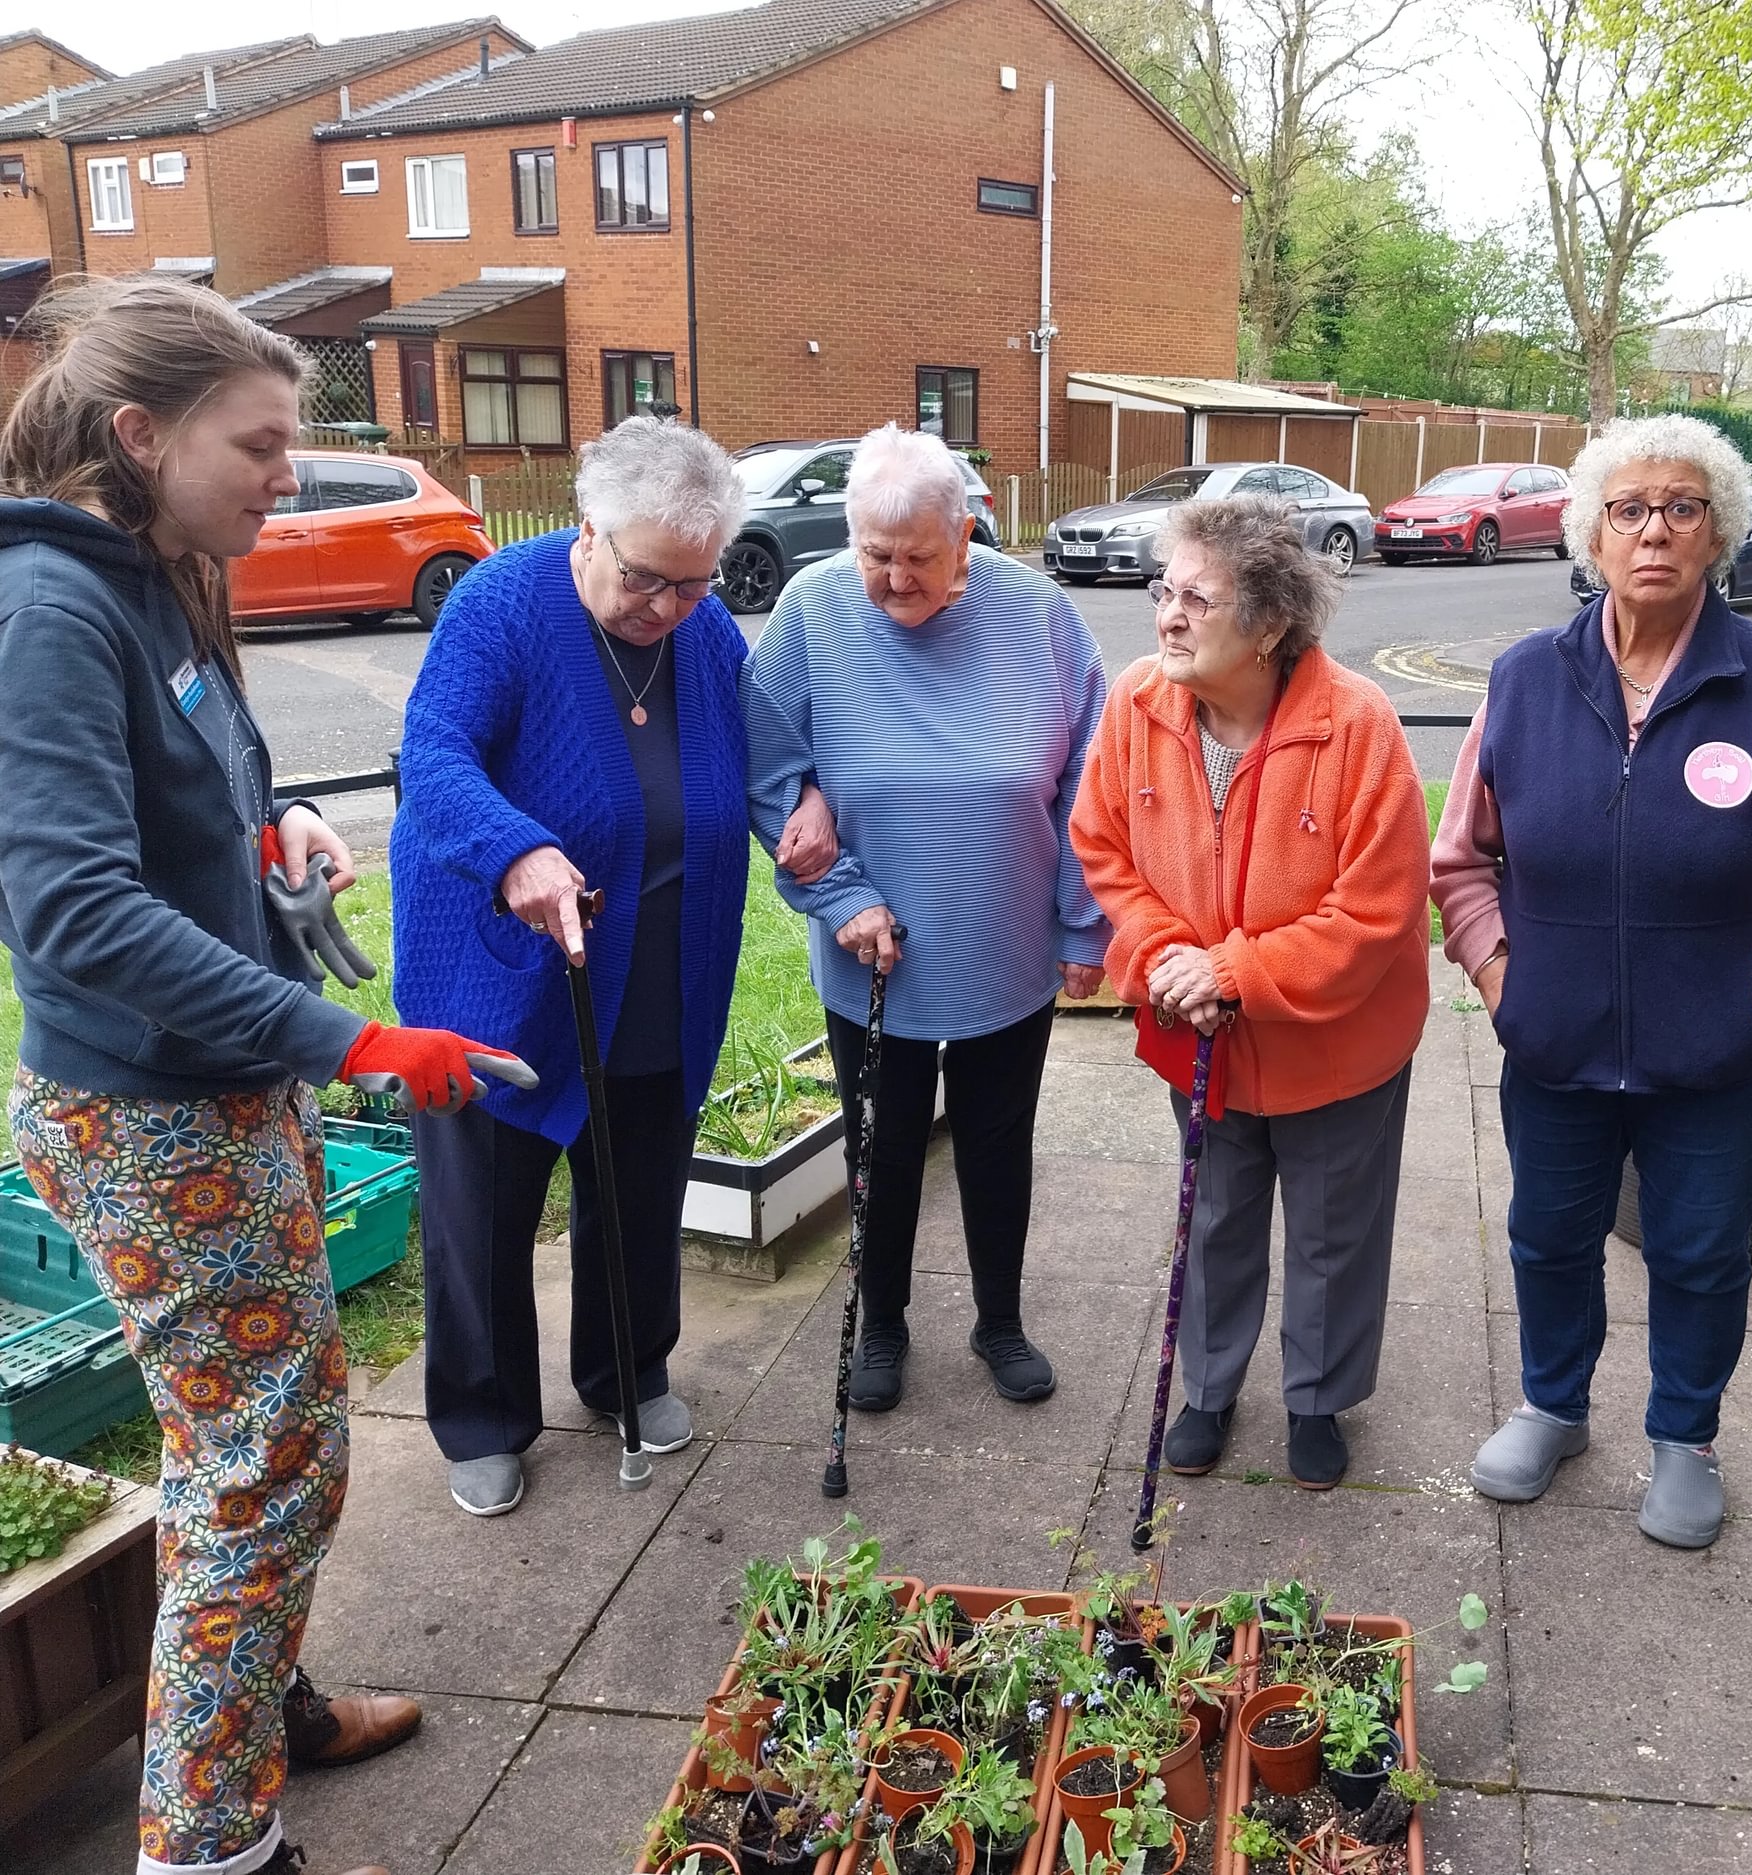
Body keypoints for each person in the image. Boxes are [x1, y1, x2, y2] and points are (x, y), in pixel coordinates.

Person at [0, 276, 525, 1875]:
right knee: (265, 1470)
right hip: (152, 1116)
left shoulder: (160, 573)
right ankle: (214, 1847)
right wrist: (357, 1039)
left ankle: (257, 1707)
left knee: (248, 1454)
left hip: (222, 1091)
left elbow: (176, 798)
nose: (288, 476)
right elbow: (74, 913)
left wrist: (267, 828)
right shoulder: (52, 608)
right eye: (262, 443)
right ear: (141, 434)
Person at [1435, 413, 1752, 1549]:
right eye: (1628, 509)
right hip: (1554, 1045)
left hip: (1716, 1057)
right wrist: (1499, 975)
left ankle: (1686, 1437)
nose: (1654, 531)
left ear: (1717, 533)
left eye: (1683, 508)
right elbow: (1461, 860)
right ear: (1590, 534)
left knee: (1699, 1253)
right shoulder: (1525, 680)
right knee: (1547, 1237)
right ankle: (1552, 1406)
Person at [392, 417, 828, 1518]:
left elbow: (759, 749)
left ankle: (627, 1370)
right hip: (503, 973)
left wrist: (807, 800)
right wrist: (515, 850)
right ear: (587, 530)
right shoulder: (501, 603)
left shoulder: (702, 627)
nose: (669, 608)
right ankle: (483, 1416)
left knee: (637, 1189)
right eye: (646, 579)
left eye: (695, 582)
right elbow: (433, 756)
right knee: (483, 1210)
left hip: (658, 967)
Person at [746, 424, 1107, 1412]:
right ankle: (882, 1325)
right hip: (870, 950)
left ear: (965, 538)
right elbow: (767, 765)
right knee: (883, 1147)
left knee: (998, 1141)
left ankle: (1000, 1320)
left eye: (918, 558)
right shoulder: (813, 609)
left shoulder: (1038, 614)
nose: (895, 579)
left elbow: (1091, 777)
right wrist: (840, 894)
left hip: (1004, 942)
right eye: (876, 555)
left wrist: (1084, 925)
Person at [1072, 496, 1431, 1489]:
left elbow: (1378, 911)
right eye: (1165, 590)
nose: (1169, 615)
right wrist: (1163, 958)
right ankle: (1210, 1386)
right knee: (1215, 1218)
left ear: (1269, 625)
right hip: (1198, 1037)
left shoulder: (1357, 724)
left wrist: (1230, 971)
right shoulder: (1137, 701)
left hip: (1338, 1044)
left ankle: (1317, 1397)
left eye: (1199, 599)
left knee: (1333, 1231)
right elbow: (1103, 846)